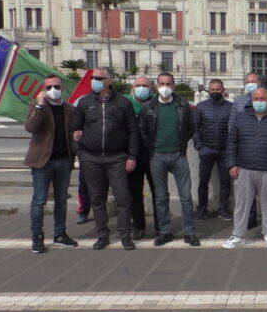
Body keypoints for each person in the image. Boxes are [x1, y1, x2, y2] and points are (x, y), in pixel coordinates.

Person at [72, 67, 139, 251]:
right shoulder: (84, 102)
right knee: (97, 199)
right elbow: (75, 130)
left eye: (99, 78)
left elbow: (133, 131)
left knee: (123, 198)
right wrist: (80, 154)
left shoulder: (123, 103)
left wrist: (131, 156)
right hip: (91, 158)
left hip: (116, 157)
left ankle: (125, 235)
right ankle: (102, 235)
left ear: (109, 81)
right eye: (93, 77)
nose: (94, 80)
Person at [222, 88, 267, 249]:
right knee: (241, 205)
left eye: (262, 99)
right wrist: (232, 164)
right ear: (251, 99)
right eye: (256, 98)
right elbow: (232, 143)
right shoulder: (241, 118)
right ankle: (237, 235)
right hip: (244, 169)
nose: (259, 102)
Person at [139, 73, 200, 247]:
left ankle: (190, 232)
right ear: (156, 86)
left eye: (168, 84)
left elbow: (190, 128)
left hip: (178, 155)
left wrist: (181, 144)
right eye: (161, 84)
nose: (165, 87)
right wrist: (152, 147)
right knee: (160, 197)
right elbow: (143, 131)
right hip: (157, 156)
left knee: (186, 197)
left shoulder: (182, 105)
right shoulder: (148, 107)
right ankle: (164, 232)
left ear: (173, 86)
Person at [24, 74, 78, 253]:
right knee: (39, 200)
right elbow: (31, 127)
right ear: (43, 90)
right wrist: (39, 105)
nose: (53, 90)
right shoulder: (37, 106)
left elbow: (73, 132)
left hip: (63, 160)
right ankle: (37, 236)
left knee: (61, 199)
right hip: (42, 161)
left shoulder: (69, 108)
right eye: (48, 87)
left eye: (56, 86)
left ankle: (60, 234)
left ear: (62, 88)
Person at [123, 76, 159, 240]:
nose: (141, 88)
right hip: (133, 155)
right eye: (138, 85)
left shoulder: (157, 102)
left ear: (151, 88)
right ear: (133, 87)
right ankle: (138, 226)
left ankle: (161, 226)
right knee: (134, 192)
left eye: (145, 85)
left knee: (158, 192)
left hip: (154, 154)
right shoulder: (125, 103)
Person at [193, 79, 233, 221]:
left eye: (218, 89)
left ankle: (223, 209)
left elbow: (233, 130)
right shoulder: (201, 107)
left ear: (223, 90)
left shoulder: (230, 107)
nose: (215, 92)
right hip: (207, 150)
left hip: (224, 151)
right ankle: (202, 209)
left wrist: (230, 149)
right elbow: (195, 128)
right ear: (208, 91)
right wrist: (200, 146)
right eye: (212, 90)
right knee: (203, 181)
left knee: (225, 182)